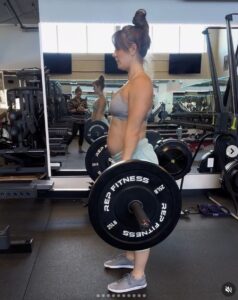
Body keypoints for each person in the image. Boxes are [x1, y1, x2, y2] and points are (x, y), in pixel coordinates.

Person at [104, 9, 159, 293]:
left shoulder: (142, 84)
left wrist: (124, 164)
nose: (114, 54)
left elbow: (135, 128)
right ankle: (128, 258)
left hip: (135, 158)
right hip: (125, 157)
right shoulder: (130, 82)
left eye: (117, 49)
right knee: (125, 213)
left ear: (132, 48)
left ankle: (138, 276)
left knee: (140, 218)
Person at [67, 86, 88, 153]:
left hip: (82, 120)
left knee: (82, 135)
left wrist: (84, 109)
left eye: (80, 93)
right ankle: (66, 147)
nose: (80, 94)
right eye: (78, 93)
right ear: (75, 93)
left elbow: (87, 109)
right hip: (75, 120)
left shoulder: (83, 101)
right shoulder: (71, 101)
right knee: (73, 134)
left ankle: (80, 149)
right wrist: (77, 109)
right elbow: (70, 110)